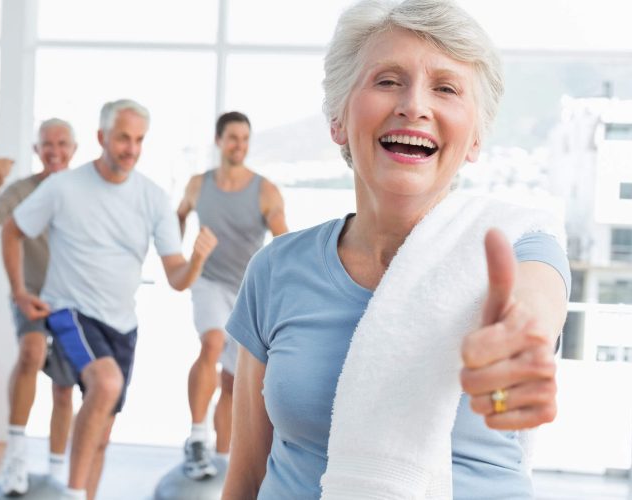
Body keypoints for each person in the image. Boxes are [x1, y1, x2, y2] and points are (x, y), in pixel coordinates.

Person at [222, 1, 571, 498]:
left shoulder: (516, 248)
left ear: (475, 138)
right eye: (387, 80)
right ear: (338, 119)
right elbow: (246, 476)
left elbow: (534, 306)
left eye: (446, 88)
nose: (414, 105)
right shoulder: (277, 268)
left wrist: (519, 346)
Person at [2, 99, 217, 500]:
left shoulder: (153, 198)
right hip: (69, 311)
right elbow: (12, 230)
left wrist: (197, 260)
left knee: (102, 435)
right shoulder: (62, 186)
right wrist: (20, 291)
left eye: (138, 140)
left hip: (122, 324)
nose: (131, 148)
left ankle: (85, 493)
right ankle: (71, 492)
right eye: (122, 138)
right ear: (102, 138)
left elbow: (176, 278)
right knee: (106, 383)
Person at [175, 111, 287, 479]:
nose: (239, 145)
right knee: (210, 342)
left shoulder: (265, 190)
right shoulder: (197, 184)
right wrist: (180, 251)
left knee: (231, 381)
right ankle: (196, 438)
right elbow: (176, 217)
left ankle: (222, 459)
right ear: (219, 140)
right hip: (208, 281)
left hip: (245, 289)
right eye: (232, 138)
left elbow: (284, 245)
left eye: (244, 139)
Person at [0, 119, 79, 493]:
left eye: (62, 143)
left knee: (65, 388)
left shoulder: (86, 192)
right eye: (47, 144)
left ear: (75, 149)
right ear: (36, 150)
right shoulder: (20, 192)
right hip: (29, 293)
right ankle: (14, 456)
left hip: (73, 302)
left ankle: (56, 468)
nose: (55, 150)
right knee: (32, 352)